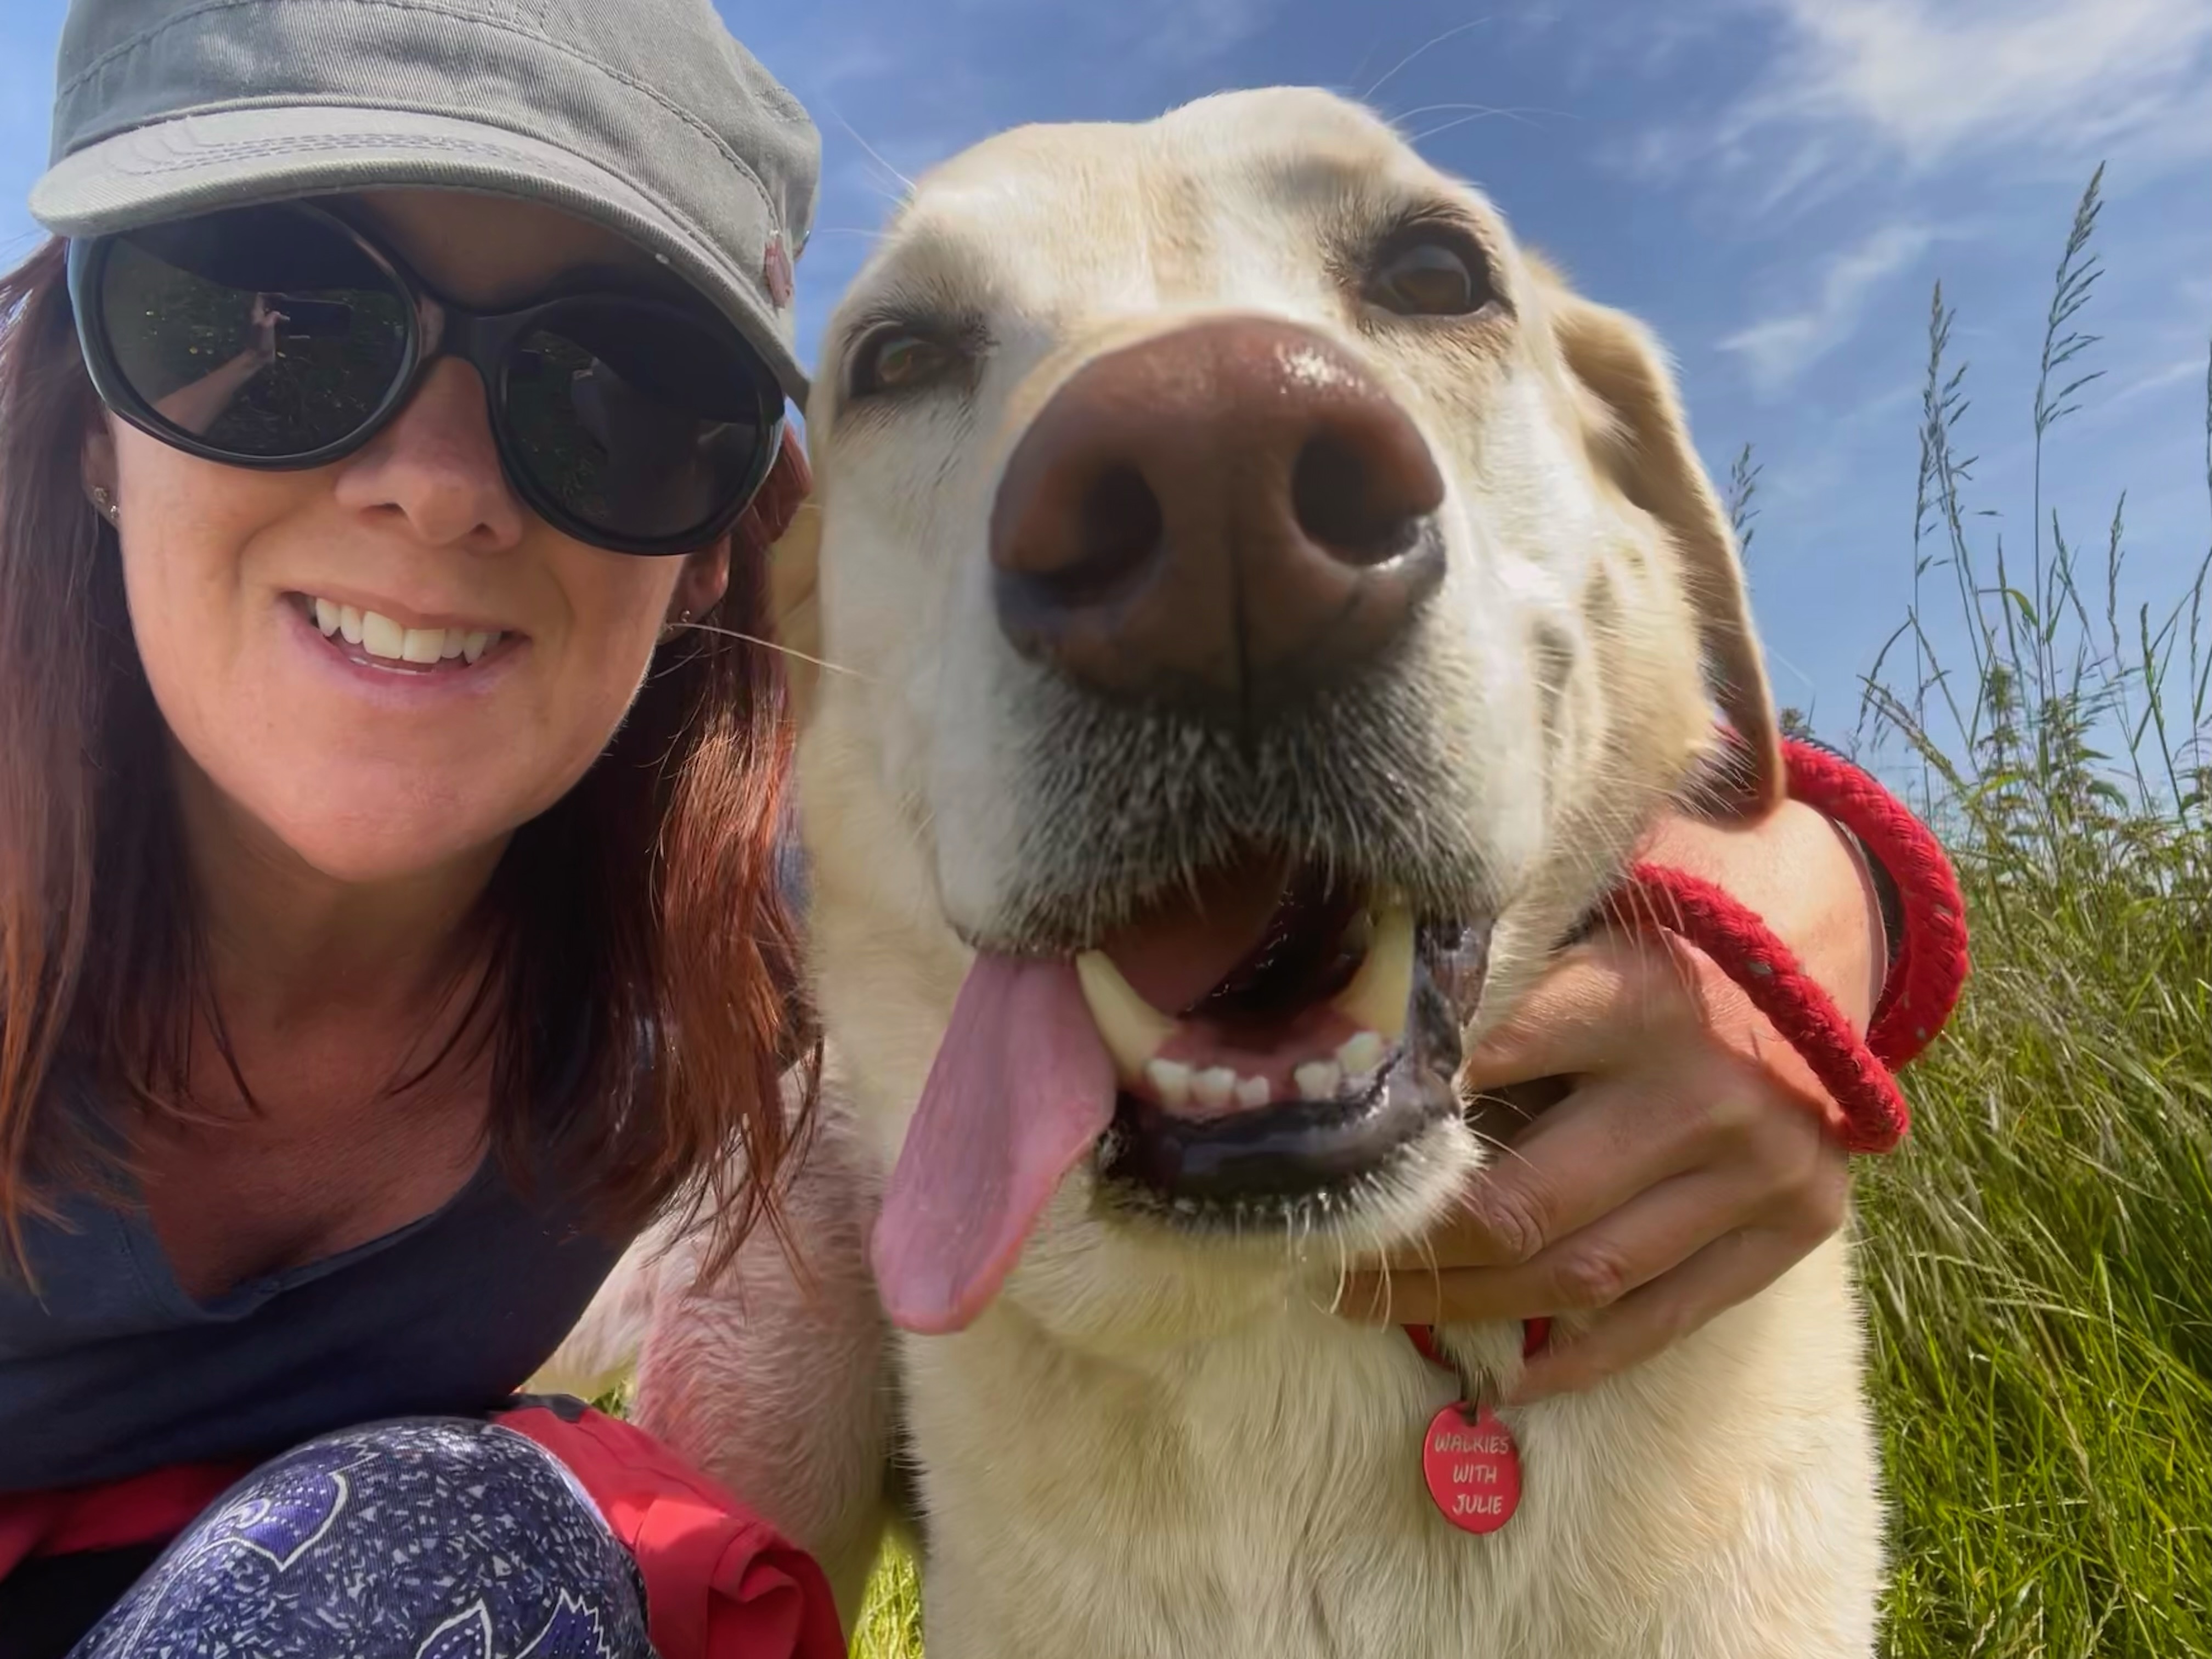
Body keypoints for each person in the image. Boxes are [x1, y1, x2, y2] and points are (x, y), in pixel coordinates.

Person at [0, 0, 1945, 1654]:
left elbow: (1703, 774)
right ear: (88, 412)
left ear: (728, 558)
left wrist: (1816, 901)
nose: (431, 486)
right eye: (262, 317)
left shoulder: (716, 922)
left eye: (619, 383)